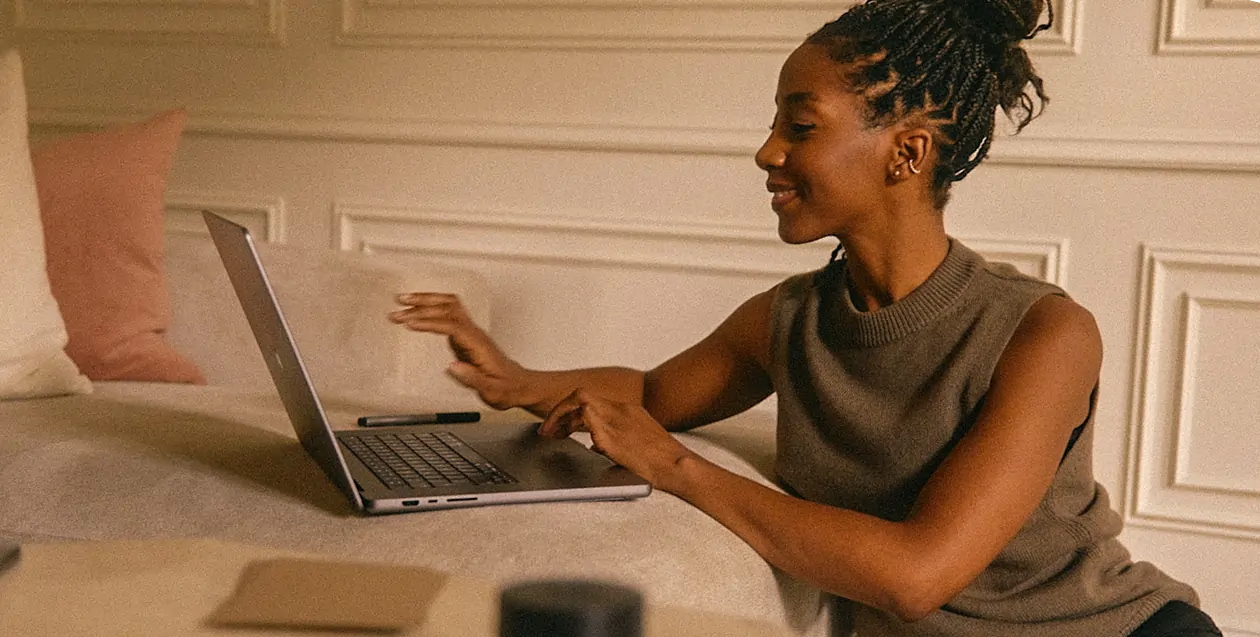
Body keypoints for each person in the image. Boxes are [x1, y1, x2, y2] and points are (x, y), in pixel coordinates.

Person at [388, 1, 1221, 635]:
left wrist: (675, 466)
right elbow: (648, 390)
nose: (767, 152)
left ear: (907, 151)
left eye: (800, 124)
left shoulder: (1044, 333)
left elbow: (914, 575)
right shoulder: (787, 321)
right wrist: (511, 378)